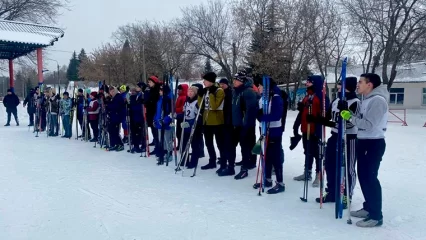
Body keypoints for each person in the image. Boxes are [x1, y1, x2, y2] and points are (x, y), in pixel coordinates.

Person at [340, 73, 388, 228]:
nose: (357, 84)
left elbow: (368, 124)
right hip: (364, 141)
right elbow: (360, 119)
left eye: (360, 82)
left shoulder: (377, 101)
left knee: (370, 178)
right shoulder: (366, 99)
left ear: (370, 85)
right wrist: (347, 112)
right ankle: (368, 208)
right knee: (363, 177)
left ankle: (376, 215)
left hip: (373, 143)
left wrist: (349, 117)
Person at [310, 77, 359, 209]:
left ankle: (347, 195)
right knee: (330, 164)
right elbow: (329, 119)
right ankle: (332, 192)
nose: (337, 89)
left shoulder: (355, 102)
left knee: (348, 167)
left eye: (339, 87)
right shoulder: (336, 100)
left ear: (347, 88)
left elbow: (350, 123)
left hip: (349, 138)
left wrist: (346, 113)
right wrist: (318, 119)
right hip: (335, 136)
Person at [292, 75, 328, 187]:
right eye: (307, 81)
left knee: (317, 153)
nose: (306, 84)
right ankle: (307, 172)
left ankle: (318, 174)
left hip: (315, 130)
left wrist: (317, 123)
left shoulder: (321, 97)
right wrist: (296, 125)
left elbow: (325, 115)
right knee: (307, 151)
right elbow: (302, 112)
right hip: (305, 129)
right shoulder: (308, 96)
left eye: (309, 82)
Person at [222, 72, 257, 179]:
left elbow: (250, 111)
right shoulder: (234, 92)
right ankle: (230, 167)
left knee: (245, 148)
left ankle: (244, 169)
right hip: (234, 125)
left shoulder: (248, 92)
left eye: (236, 80)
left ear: (242, 81)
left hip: (245, 126)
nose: (234, 82)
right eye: (234, 80)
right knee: (230, 146)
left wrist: (245, 126)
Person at [253, 77, 285, 194]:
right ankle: (267, 179)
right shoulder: (262, 98)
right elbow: (259, 112)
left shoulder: (276, 98)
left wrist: (263, 117)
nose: (258, 88)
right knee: (265, 155)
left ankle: (280, 183)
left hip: (274, 131)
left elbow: (277, 115)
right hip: (263, 130)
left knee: (275, 157)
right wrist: (258, 114)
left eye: (260, 86)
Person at [199, 72, 225, 171]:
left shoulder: (219, 91)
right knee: (208, 143)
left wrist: (210, 94)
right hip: (207, 121)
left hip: (217, 121)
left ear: (210, 81)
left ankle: (223, 163)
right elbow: (200, 105)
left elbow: (214, 106)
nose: (203, 82)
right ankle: (212, 161)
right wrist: (200, 95)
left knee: (220, 143)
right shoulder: (206, 90)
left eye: (205, 80)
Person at [179, 85, 203, 169]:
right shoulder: (187, 101)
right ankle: (184, 160)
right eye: (189, 91)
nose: (189, 92)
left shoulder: (197, 102)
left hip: (195, 126)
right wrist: (176, 115)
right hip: (186, 125)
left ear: (195, 93)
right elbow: (185, 113)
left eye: (192, 91)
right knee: (184, 144)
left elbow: (199, 116)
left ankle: (193, 162)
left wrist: (192, 123)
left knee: (194, 145)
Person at [153, 85, 173, 164]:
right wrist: (155, 119)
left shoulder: (168, 100)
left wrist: (165, 120)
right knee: (161, 139)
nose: (159, 92)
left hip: (166, 124)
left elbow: (170, 112)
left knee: (167, 139)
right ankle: (164, 153)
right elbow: (157, 111)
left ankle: (169, 153)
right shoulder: (160, 99)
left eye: (161, 90)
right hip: (159, 123)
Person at [145, 76, 161, 154]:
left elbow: (153, 101)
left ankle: (158, 147)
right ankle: (156, 146)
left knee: (156, 131)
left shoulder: (157, 90)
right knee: (153, 131)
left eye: (150, 82)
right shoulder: (151, 90)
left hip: (155, 113)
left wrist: (147, 102)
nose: (149, 83)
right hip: (150, 113)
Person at [107, 87, 125, 151]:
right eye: (110, 91)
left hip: (117, 116)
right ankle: (114, 144)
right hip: (112, 116)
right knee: (111, 130)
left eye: (113, 91)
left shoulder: (118, 97)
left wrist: (108, 105)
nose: (111, 92)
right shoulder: (112, 98)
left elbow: (116, 106)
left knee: (115, 131)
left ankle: (120, 144)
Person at [128, 85, 145, 153]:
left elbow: (139, 107)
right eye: (131, 91)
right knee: (134, 132)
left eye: (133, 91)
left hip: (139, 117)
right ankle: (136, 146)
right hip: (133, 117)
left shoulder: (141, 96)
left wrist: (132, 106)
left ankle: (142, 145)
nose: (132, 92)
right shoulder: (133, 97)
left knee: (140, 132)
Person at [175, 84, 188, 149]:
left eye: (180, 89)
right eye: (178, 89)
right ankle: (180, 144)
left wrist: (175, 109)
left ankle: (182, 145)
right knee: (178, 132)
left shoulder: (184, 97)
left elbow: (183, 108)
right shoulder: (179, 96)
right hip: (179, 117)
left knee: (182, 132)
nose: (178, 91)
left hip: (183, 117)